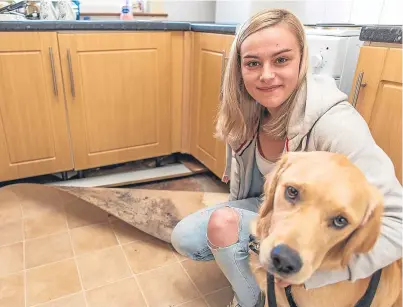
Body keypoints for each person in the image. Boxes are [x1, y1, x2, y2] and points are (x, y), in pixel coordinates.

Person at [171, 8, 402, 307]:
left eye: (281, 60)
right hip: (271, 205)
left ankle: (252, 301)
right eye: (253, 63)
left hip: (304, 217)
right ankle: (261, 284)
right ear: (239, 69)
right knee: (187, 238)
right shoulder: (249, 111)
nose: (266, 75)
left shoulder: (337, 125)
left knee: (223, 224)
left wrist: (313, 272)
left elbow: (398, 222)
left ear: (303, 60)